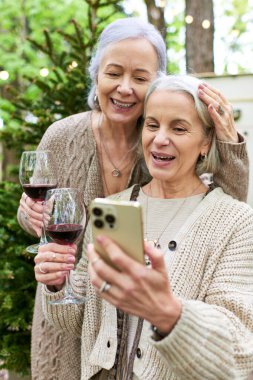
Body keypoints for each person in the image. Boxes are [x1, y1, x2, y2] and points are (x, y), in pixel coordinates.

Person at [18, 17, 249, 380]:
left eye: (140, 79)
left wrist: (229, 142)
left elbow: (226, 210)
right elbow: (77, 298)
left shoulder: (225, 216)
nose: (125, 88)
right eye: (154, 125)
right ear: (96, 75)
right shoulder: (70, 148)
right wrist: (33, 226)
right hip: (75, 342)